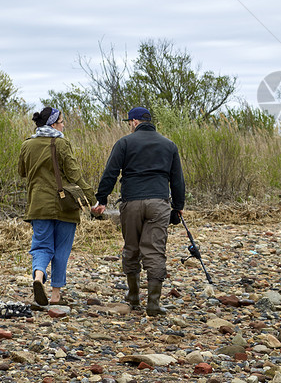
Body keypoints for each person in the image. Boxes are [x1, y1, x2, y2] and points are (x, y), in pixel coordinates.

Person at [92, 107, 185, 316]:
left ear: (134, 122)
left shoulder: (124, 143)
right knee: (154, 250)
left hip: (131, 202)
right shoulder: (169, 145)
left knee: (131, 247)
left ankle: (133, 296)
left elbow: (111, 172)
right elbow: (177, 179)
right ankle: (153, 303)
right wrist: (178, 207)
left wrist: (102, 198)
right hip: (158, 203)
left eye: (129, 122)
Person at [18, 107, 97, 306]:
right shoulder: (61, 143)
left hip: (38, 204)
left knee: (41, 246)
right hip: (64, 205)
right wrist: (92, 200)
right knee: (61, 249)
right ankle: (55, 296)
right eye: (62, 122)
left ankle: (38, 277)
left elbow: (22, 172)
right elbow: (74, 175)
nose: (63, 125)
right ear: (53, 124)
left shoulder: (27, 144)